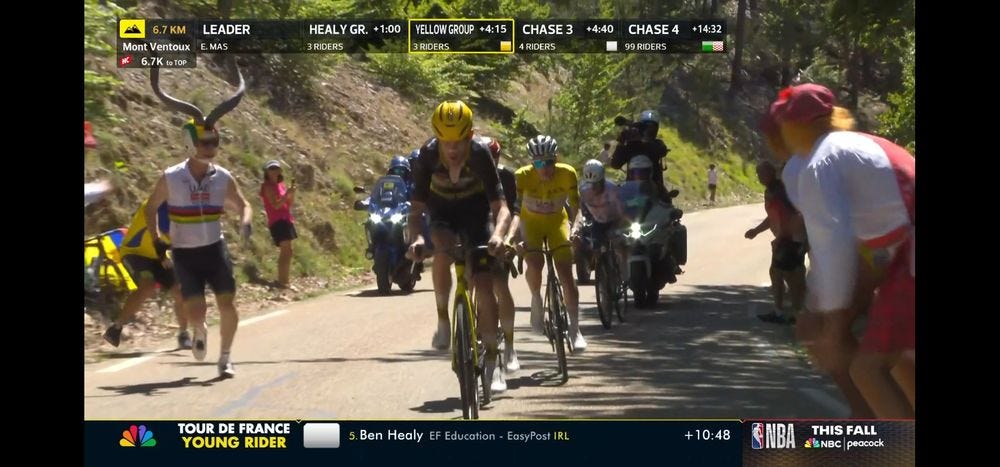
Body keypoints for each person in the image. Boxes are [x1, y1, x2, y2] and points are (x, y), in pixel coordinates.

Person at [772, 83, 915, 418]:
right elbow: (871, 244)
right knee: (901, 360)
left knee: (868, 370)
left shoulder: (821, 161)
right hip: (903, 255)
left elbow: (831, 245)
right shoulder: (858, 145)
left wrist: (831, 324)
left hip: (907, 257)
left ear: (794, 127)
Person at [758, 102, 873, 419]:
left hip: (883, 253)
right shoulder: (858, 145)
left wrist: (825, 315)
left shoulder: (806, 165)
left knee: (857, 355)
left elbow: (833, 238)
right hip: (886, 252)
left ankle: (876, 431)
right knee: (885, 361)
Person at [147, 64, 253, 378]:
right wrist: (157, 239)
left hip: (214, 249)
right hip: (184, 253)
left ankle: (225, 358)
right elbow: (150, 209)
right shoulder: (171, 177)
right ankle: (198, 329)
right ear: (189, 144)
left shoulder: (223, 177)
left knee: (227, 302)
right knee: (196, 308)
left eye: (214, 143)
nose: (210, 149)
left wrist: (245, 221)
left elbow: (244, 205)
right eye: (204, 143)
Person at [407, 101, 512, 391]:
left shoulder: (479, 154)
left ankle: (492, 357)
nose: (452, 150)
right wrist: (416, 239)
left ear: (470, 136)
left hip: (475, 214)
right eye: (445, 142)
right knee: (441, 250)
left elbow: (501, 207)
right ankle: (443, 320)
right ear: (436, 138)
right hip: (441, 213)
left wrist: (500, 235)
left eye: (458, 143)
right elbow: (415, 211)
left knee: (484, 283)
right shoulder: (427, 155)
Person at [515, 135, 586, 351]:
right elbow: (514, 211)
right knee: (535, 264)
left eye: (548, 162)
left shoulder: (567, 173)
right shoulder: (521, 177)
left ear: (556, 159)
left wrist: (576, 229)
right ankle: (536, 299)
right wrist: (516, 239)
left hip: (557, 222)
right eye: (538, 163)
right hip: (531, 224)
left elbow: (577, 208)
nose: (544, 168)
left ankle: (575, 329)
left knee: (565, 273)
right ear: (531, 163)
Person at [103, 200, 191, 349]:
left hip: (157, 255)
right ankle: (115, 328)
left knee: (179, 291)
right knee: (148, 286)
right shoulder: (156, 205)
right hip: (134, 252)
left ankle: (183, 334)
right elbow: (166, 234)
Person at [744, 160, 806, 324]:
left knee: (791, 277)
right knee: (780, 274)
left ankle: (798, 314)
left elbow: (789, 216)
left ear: (772, 173)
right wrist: (756, 231)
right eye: (757, 174)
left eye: (761, 173)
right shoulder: (772, 191)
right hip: (787, 240)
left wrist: (782, 238)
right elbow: (772, 217)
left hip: (790, 240)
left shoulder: (780, 191)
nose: (759, 177)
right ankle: (787, 312)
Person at [482, 136, 521, 387]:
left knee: (500, 286)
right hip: (477, 234)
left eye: (493, 157)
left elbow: (515, 213)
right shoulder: (468, 176)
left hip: (500, 235)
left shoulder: (506, 177)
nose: (489, 162)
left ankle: (508, 344)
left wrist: (509, 239)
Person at [572, 159, 628, 284]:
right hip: (598, 221)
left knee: (619, 246)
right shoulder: (583, 190)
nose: (594, 188)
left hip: (614, 220)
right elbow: (581, 208)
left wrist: (625, 223)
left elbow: (621, 211)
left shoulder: (612, 189)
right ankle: (601, 271)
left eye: (597, 184)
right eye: (591, 184)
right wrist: (577, 226)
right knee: (595, 248)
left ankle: (624, 275)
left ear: (602, 179)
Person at [610, 110, 671, 202]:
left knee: (668, 205)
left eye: (652, 128)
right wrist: (621, 142)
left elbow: (661, 150)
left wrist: (642, 141)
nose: (650, 131)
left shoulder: (657, 144)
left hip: (655, 191)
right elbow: (615, 164)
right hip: (632, 190)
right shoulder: (631, 145)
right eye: (647, 128)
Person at [260, 160, 298, 289]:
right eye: (271, 169)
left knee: (288, 251)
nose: (274, 171)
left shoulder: (280, 185)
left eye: (276, 168)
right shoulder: (267, 186)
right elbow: (275, 205)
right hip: (277, 221)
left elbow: (288, 204)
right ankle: (282, 282)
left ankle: (284, 281)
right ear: (267, 172)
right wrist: (287, 194)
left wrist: (291, 194)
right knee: (285, 250)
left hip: (286, 218)